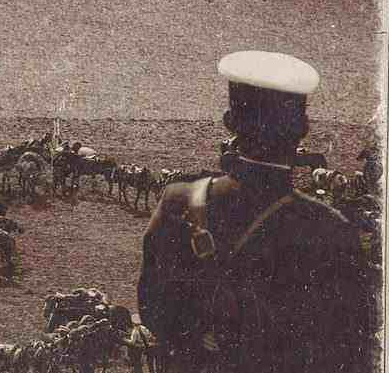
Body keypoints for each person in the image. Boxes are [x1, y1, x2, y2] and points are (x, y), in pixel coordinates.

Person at [137, 50, 374, 372]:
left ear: (229, 121)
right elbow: (351, 349)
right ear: (303, 128)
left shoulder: (179, 201)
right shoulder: (330, 228)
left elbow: (153, 308)